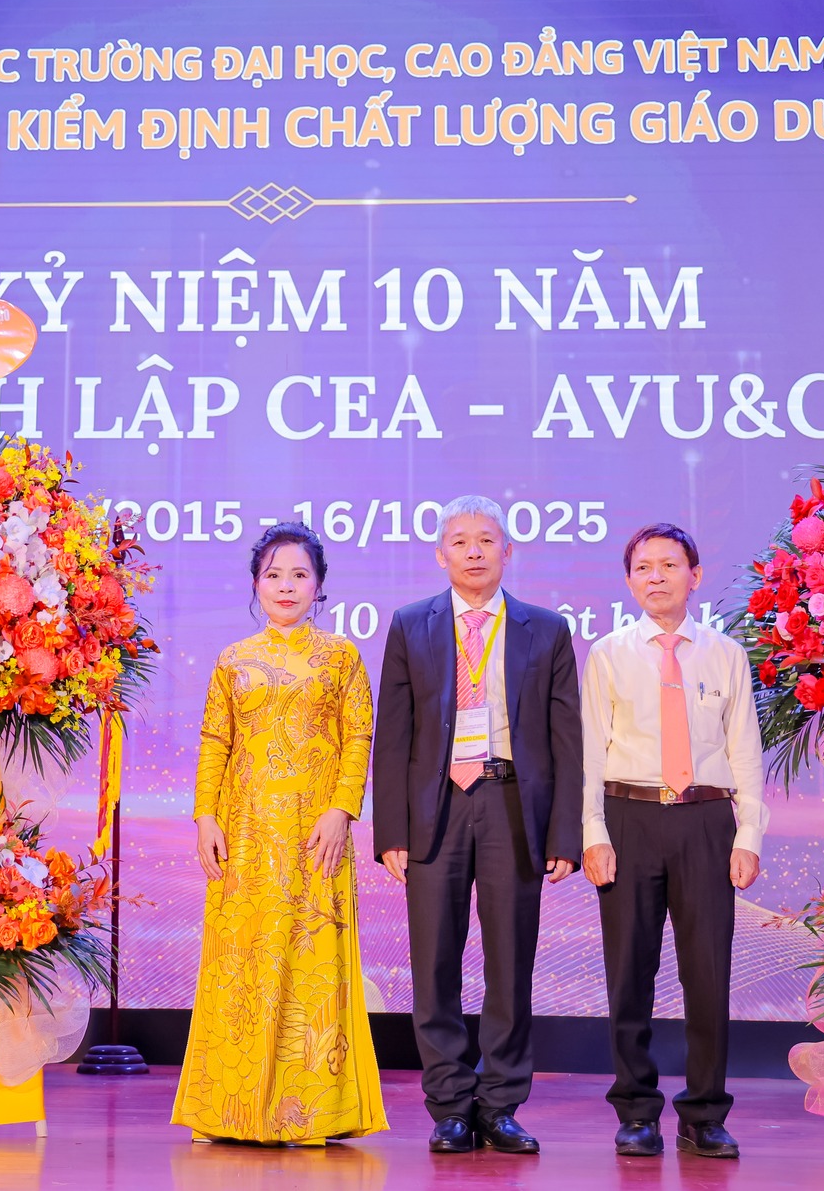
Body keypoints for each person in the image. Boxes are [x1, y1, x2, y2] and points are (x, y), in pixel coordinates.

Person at [373, 495, 582, 1155]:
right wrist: (391, 830)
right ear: (441, 554)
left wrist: (565, 834)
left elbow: (567, 739)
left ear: (507, 551)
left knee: (510, 963)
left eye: (486, 539)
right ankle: (449, 1106)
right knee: (434, 962)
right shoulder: (411, 623)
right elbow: (393, 735)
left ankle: (499, 1104)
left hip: (510, 802)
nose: (473, 550)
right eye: (459, 540)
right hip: (435, 807)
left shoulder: (545, 629)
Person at [172, 522, 388, 1146]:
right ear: (255, 584)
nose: (286, 586)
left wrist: (343, 810)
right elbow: (216, 742)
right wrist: (205, 817)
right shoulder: (233, 659)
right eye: (274, 575)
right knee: (239, 966)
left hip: (316, 836)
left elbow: (358, 738)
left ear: (319, 585)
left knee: (312, 966)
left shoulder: (341, 656)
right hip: (243, 836)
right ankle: (230, 1110)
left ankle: (308, 1113)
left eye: (299, 574)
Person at [580, 523, 766, 1159]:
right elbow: (589, 752)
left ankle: (705, 1114)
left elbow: (745, 751)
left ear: (695, 575)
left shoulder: (725, 654)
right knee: (629, 971)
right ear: (629, 580)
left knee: (707, 971)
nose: (655, 576)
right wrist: (593, 832)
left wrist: (749, 835)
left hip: (706, 820)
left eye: (668, 564)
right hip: (628, 817)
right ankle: (636, 1110)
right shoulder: (608, 654)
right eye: (643, 567)